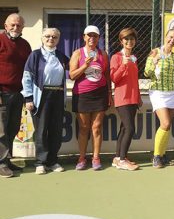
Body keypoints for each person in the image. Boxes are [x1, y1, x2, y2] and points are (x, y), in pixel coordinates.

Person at [22, 28, 69, 175]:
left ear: (58, 39)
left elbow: (75, 68)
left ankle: (52, 161)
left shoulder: (61, 56)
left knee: (56, 130)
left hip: (58, 95)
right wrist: (28, 98)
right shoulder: (35, 55)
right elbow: (27, 77)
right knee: (41, 130)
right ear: (42, 38)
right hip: (41, 96)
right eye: (47, 36)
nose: (51, 39)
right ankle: (40, 162)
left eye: (54, 37)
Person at [69, 25, 110, 171]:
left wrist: (109, 93)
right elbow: (72, 75)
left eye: (95, 36)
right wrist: (84, 66)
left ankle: (96, 158)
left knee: (97, 127)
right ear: (84, 37)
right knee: (83, 128)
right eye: (89, 35)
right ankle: (81, 158)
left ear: (98, 38)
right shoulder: (77, 54)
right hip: (82, 95)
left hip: (100, 94)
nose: (92, 38)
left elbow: (107, 75)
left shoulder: (103, 54)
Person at [144, 28, 174, 168]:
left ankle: (163, 155)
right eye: (170, 37)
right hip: (158, 92)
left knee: (168, 125)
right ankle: (156, 156)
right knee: (165, 123)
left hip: (172, 92)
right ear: (165, 36)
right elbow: (146, 73)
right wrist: (154, 62)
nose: (172, 40)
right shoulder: (154, 52)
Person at [0, 13, 32, 178]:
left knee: (12, 128)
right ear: (5, 26)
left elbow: (29, 70)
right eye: (12, 25)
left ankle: (7, 159)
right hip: (2, 92)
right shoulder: (0, 40)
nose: (15, 27)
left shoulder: (25, 45)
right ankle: (1, 163)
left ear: (22, 27)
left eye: (18, 25)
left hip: (18, 93)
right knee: (1, 130)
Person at [110, 27, 142, 171]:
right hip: (122, 98)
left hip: (133, 99)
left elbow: (134, 80)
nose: (129, 41)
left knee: (124, 128)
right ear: (121, 41)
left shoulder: (134, 58)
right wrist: (123, 65)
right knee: (130, 128)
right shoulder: (116, 57)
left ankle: (118, 158)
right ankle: (122, 160)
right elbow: (114, 78)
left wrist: (138, 97)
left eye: (132, 39)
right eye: (126, 39)